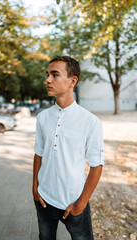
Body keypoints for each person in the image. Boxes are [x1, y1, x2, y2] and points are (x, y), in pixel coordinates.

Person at [33, 56, 104, 240]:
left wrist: (81, 203)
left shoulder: (91, 122)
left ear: (73, 81)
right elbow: (39, 153)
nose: (47, 80)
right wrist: (35, 188)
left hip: (73, 201)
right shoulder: (42, 117)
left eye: (55, 75)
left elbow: (97, 166)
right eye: (47, 74)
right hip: (44, 199)